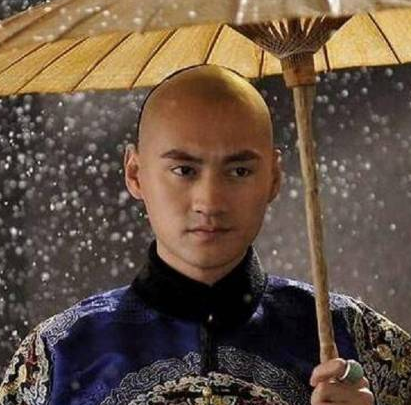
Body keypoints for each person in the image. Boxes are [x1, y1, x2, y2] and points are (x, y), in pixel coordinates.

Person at [0, 63, 410, 405]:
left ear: (274, 177)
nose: (210, 201)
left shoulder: (358, 343)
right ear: (135, 173)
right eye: (184, 170)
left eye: (239, 171)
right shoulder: (59, 356)